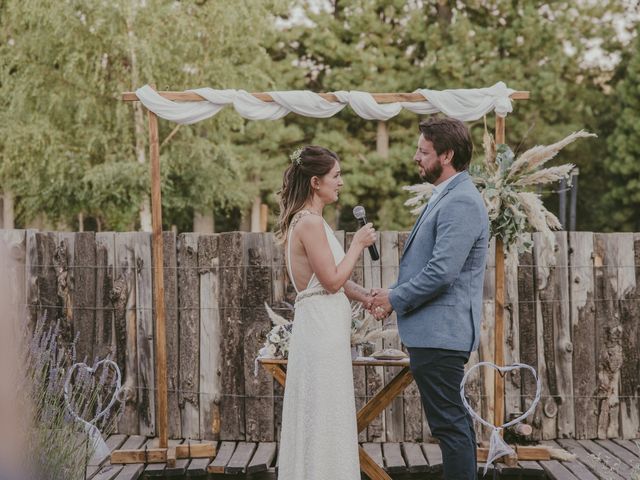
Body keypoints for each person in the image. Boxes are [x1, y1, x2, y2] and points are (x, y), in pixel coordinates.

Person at [368, 117, 489, 480]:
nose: (415, 157)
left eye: (423, 152)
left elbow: (441, 272)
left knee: (451, 427)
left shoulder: (462, 201)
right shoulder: (449, 195)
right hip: (433, 335)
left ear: (447, 155)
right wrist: (391, 292)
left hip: (441, 334)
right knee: (451, 424)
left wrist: (393, 298)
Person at [275, 145, 377, 480]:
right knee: (324, 414)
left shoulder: (309, 221)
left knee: (329, 413)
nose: (341, 182)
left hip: (323, 327)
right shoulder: (309, 224)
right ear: (316, 182)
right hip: (320, 331)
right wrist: (358, 245)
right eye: (336, 176)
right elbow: (332, 281)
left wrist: (365, 296)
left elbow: (331, 278)